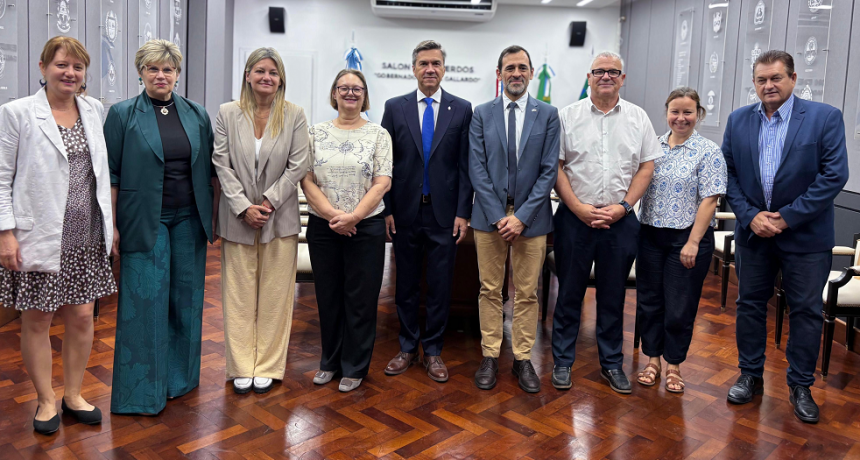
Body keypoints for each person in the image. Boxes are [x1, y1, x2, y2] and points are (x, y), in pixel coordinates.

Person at [722, 50, 848, 423]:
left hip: (806, 239)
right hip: (754, 235)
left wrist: (786, 219)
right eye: (761, 79)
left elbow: (833, 176)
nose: (768, 86)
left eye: (776, 78)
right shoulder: (738, 120)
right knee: (750, 305)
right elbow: (727, 174)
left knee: (807, 312)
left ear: (793, 79)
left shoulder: (824, 118)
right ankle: (750, 376)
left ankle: (800, 385)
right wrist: (750, 215)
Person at [0, 37, 115, 434]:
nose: (70, 73)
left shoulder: (93, 109)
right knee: (38, 319)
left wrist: (110, 226)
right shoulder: (17, 113)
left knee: (83, 317)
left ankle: (73, 394)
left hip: (86, 236)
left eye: (78, 67)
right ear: (43, 66)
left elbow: (97, 175)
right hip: (41, 234)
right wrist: (5, 235)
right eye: (62, 65)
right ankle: (46, 400)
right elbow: (1, 179)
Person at [106, 39, 217, 415]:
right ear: (141, 72)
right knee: (144, 303)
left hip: (188, 217)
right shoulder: (122, 114)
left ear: (177, 74)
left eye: (167, 69)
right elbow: (112, 175)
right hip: (143, 219)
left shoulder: (197, 114)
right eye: (153, 68)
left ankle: (179, 381)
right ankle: (140, 392)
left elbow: (211, 170)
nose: (160, 75)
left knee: (186, 301)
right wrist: (113, 226)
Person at [552, 51, 662, 393]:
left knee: (613, 297)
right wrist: (578, 207)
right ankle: (562, 361)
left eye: (613, 72)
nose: (606, 77)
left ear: (622, 78)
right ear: (589, 77)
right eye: (599, 71)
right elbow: (555, 167)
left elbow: (647, 166)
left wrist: (625, 206)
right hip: (574, 220)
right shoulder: (566, 116)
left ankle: (612, 364)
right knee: (569, 293)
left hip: (621, 220)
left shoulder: (638, 118)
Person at [213, 48, 308, 394]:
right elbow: (220, 163)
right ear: (248, 75)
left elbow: (299, 164)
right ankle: (240, 365)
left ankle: (267, 364)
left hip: (279, 217)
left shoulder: (294, 114)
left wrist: (266, 203)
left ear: (281, 78)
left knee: (275, 295)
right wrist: (242, 206)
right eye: (260, 71)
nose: (266, 77)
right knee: (237, 294)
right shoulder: (227, 113)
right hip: (238, 218)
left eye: (273, 72)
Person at [380, 40, 472, 383]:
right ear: (414, 68)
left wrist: (463, 212)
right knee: (405, 284)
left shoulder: (462, 109)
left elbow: (465, 166)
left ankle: (432, 350)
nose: (429, 69)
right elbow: (384, 165)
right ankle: (406, 346)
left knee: (439, 285)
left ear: (444, 69)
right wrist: (387, 209)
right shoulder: (395, 107)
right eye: (423, 63)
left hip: (444, 216)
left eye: (435, 63)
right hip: (404, 213)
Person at [469, 45, 559, 394]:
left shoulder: (548, 114)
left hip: (531, 218)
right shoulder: (482, 113)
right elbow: (476, 167)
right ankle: (490, 354)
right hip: (488, 217)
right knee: (489, 289)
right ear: (499, 73)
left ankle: (522, 358)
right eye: (510, 68)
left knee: (527, 293)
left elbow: (549, 170)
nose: (516, 73)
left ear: (531, 73)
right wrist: (497, 216)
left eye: (522, 67)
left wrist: (520, 217)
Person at [301, 69, 392, 393]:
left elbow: (383, 181)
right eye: (344, 88)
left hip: (365, 226)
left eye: (357, 89)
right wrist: (331, 215)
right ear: (334, 93)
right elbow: (306, 178)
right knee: (328, 296)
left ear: (364, 95)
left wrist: (353, 216)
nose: (350, 93)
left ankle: (355, 366)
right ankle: (330, 361)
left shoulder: (379, 134)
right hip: (324, 227)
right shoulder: (314, 133)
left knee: (361, 299)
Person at [635, 87, 727, 393]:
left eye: (688, 112)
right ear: (666, 113)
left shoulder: (708, 151)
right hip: (649, 235)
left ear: (698, 114)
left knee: (679, 306)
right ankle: (652, 361)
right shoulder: (652, 147)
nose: (681, 118)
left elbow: (709, 200)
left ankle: (674, 365)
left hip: (687, 240)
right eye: (675, 111)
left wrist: (692, 242)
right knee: (650, 303)